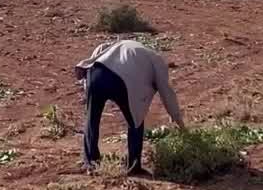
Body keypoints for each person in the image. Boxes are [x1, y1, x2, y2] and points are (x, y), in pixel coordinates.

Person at [72, 38, 184, 176]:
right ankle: (134, 166)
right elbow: (166, 92)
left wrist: (88, 88)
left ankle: (90, 162)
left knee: (91, 119)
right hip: (121, 81)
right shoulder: (157, 60)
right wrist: (178, 119)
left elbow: (100, 49)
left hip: (95, 72)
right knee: (136, 121)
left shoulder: (122, 44)